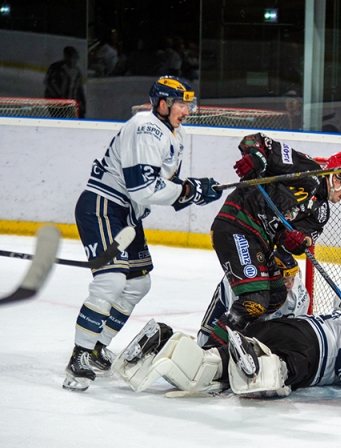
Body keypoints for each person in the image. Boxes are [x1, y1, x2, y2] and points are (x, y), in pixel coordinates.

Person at [63, 76, 222, 392]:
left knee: (138, 282)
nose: (186, 111)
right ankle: (79, 356)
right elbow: (143, 187)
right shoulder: (147, 127)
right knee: (111, 280)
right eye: (181, 104)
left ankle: (97, 348)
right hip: (103, 205)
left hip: (126, 213)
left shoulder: (173, 134)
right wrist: (190, 190)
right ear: (162, 103)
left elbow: (159, 187)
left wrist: (194, 191)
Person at [113, 287, 341, 399]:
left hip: (282, 328)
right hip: (307, 345)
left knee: (212, 366)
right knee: (290, 370)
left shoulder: (339, 318)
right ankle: (262, 363)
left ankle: (163, 341)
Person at [204, 132, 341, 357]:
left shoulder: (322, 213)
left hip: (259, 241)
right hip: (238, 223)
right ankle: (208, 352)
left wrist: (294, 242)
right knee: (253, 302)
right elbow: (256, 140)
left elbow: (297, 243)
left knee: (277, 294)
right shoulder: (307, 168)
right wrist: (256, 159)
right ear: (337, 177)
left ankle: (238, 340)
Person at [197, 249, 309, 347]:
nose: (290, 284)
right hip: (233, 301)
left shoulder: (299, 296)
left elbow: (295, 335)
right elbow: (235, 322)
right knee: (205, 341)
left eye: (293, 278)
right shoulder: (244, 284)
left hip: (265, 317)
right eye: (285, 280)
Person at [44, 46, 87, 118]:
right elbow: (49, 82)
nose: (73, 61)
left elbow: (79, 90)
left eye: (75, 58)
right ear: (66, 57)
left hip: (71, 105)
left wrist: (82, 105)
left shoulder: (76, 72)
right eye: (71, 58)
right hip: (57, 104)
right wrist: (59, 99)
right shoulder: (56, 68)